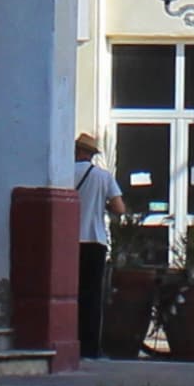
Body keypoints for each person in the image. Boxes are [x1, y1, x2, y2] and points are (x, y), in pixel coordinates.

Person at [73, 132, 124, 359]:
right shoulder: (103, 177)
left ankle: (69, 340)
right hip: (95, 241)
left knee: (69, 294)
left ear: (77, 151)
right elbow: (119, 207)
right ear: (91, 154)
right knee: (92, 296)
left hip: (70, 242)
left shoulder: (62, 174)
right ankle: (90, 347)